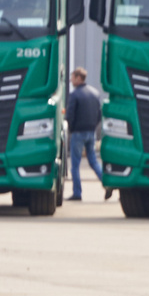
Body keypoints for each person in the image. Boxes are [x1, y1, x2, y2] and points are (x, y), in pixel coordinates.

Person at [66, 67, 107, 200]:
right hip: (91, 132)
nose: (71, 80)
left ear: (78, 78)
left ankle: (77, 193)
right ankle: (107, 184)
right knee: (94, 161)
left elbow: (70, 115)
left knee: (75, 165)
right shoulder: (95, 93)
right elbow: (99, 114)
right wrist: (94, 127)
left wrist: (71, 129)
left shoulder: (75, 95)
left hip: (78, 133)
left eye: (72, 77)